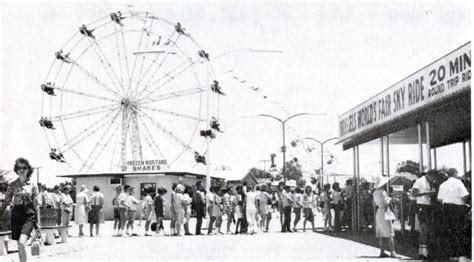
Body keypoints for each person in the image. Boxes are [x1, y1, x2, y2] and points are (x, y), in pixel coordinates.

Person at [0, 158, 38, 262]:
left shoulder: (33, 185)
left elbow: (36, 204)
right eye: (19, 168)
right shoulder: (12, 185)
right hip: (16, 214)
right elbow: (6, 201)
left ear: (28, 169)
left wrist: (38, 222)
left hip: (29, 215)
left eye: (24, 168)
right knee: (20, 245)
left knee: (22, 242)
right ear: (16, 170)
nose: (21, 170)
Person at [437, 168, 470, 260]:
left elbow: (439, 199)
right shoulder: (459, 183)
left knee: (448, 231)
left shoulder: (443, 184)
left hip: (445, 208)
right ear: (455, 173)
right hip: (457, 209)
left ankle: (448, 253)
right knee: (458, 230)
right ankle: (458, 253)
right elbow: (464, 196)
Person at [411, 172, 435, 259]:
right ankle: (422, 252)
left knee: (426, 229)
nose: (433, 180)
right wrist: (426, 193)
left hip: (426, 206)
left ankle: (423, 251)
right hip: (422, 206)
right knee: (424, 229)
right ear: (429, 175)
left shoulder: (427, 182)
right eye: (432, 178)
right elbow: (413, 194)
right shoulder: (420, 181)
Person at [373, 176, 397, 258]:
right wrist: (391, 200)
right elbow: (386, 203)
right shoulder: (383, 192)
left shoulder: (375, 192)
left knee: (380, 233)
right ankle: (392, 251)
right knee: (390, 232)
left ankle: (382, 251)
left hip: (379, 211)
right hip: (385, 210)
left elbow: (375, 203)